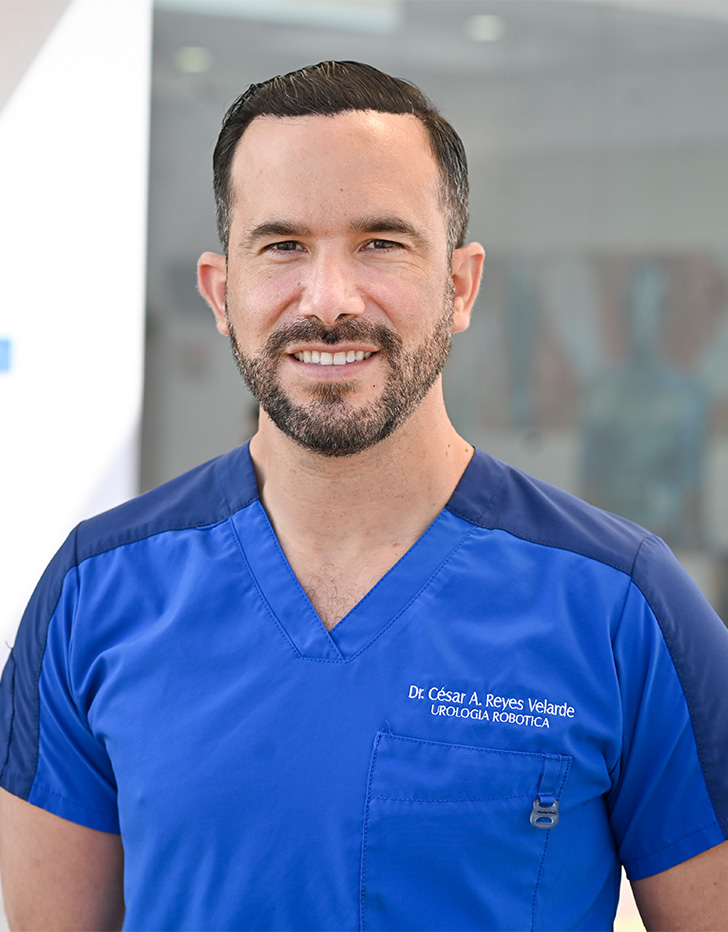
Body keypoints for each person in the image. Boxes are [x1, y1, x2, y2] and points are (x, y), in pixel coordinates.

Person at [0, 60, 727, 932]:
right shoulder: (95, 594)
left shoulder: (622, 607)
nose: (330, 301)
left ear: (460, 285)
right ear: (219, 292)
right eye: (282, 247)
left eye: (381, 242)